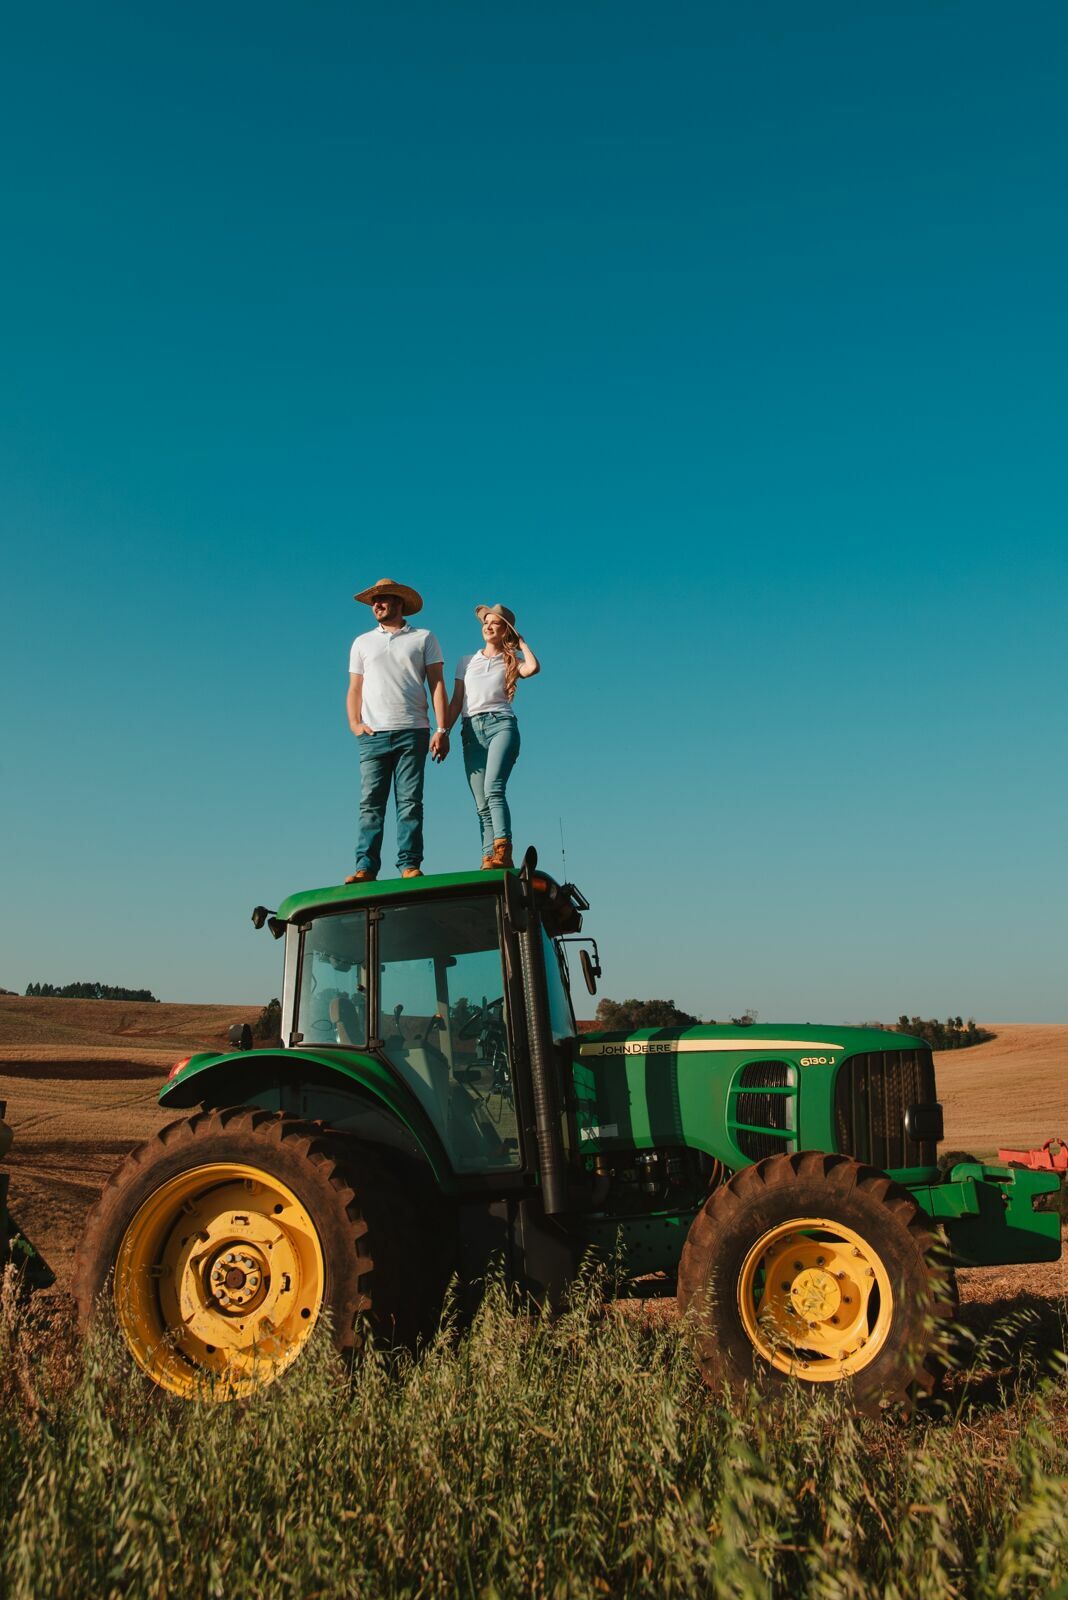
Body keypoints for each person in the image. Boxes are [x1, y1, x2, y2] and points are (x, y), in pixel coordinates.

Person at [345, 577, 451, 883]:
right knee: (370, 804)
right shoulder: (362, 642)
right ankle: (365, 866)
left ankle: (409, 863)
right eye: (373, 601)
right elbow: (354, 687)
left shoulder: (424, 637)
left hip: (413, 729)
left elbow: (437, 683)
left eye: (383, 599)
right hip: (372, 733)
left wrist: (442, 729)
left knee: (409, 802)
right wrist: (354, 723)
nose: (376, 605)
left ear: (399, 603)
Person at [446, 603, 540, 869]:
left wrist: (521, 644)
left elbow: (533, 668)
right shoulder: (466, 661)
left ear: (505, 631)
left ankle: (503, 850)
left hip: (502, 726)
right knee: (480, 802)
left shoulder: (511, 661)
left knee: (493, 789)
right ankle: (489, 856)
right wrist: (443, 732)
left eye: (495, 623)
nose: (487, 626)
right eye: (485, 622)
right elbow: (456, 702)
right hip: (470, 731)